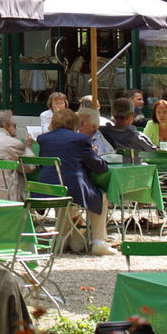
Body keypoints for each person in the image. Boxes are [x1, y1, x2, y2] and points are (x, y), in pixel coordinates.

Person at [35, 107, 114, 257]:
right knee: (101, 197)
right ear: (74, 123)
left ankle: (64, 238)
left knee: (67, 201)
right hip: (72, 188)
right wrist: (94, 154)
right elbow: (99, 167)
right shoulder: (80, 139)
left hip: (47, 188)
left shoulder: (43, 139)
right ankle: (98, 242)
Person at [99, 96, 157, 161]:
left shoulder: (100, 133)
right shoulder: (137, 137)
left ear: (113, 114)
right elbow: (153, 154)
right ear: (132, 115)